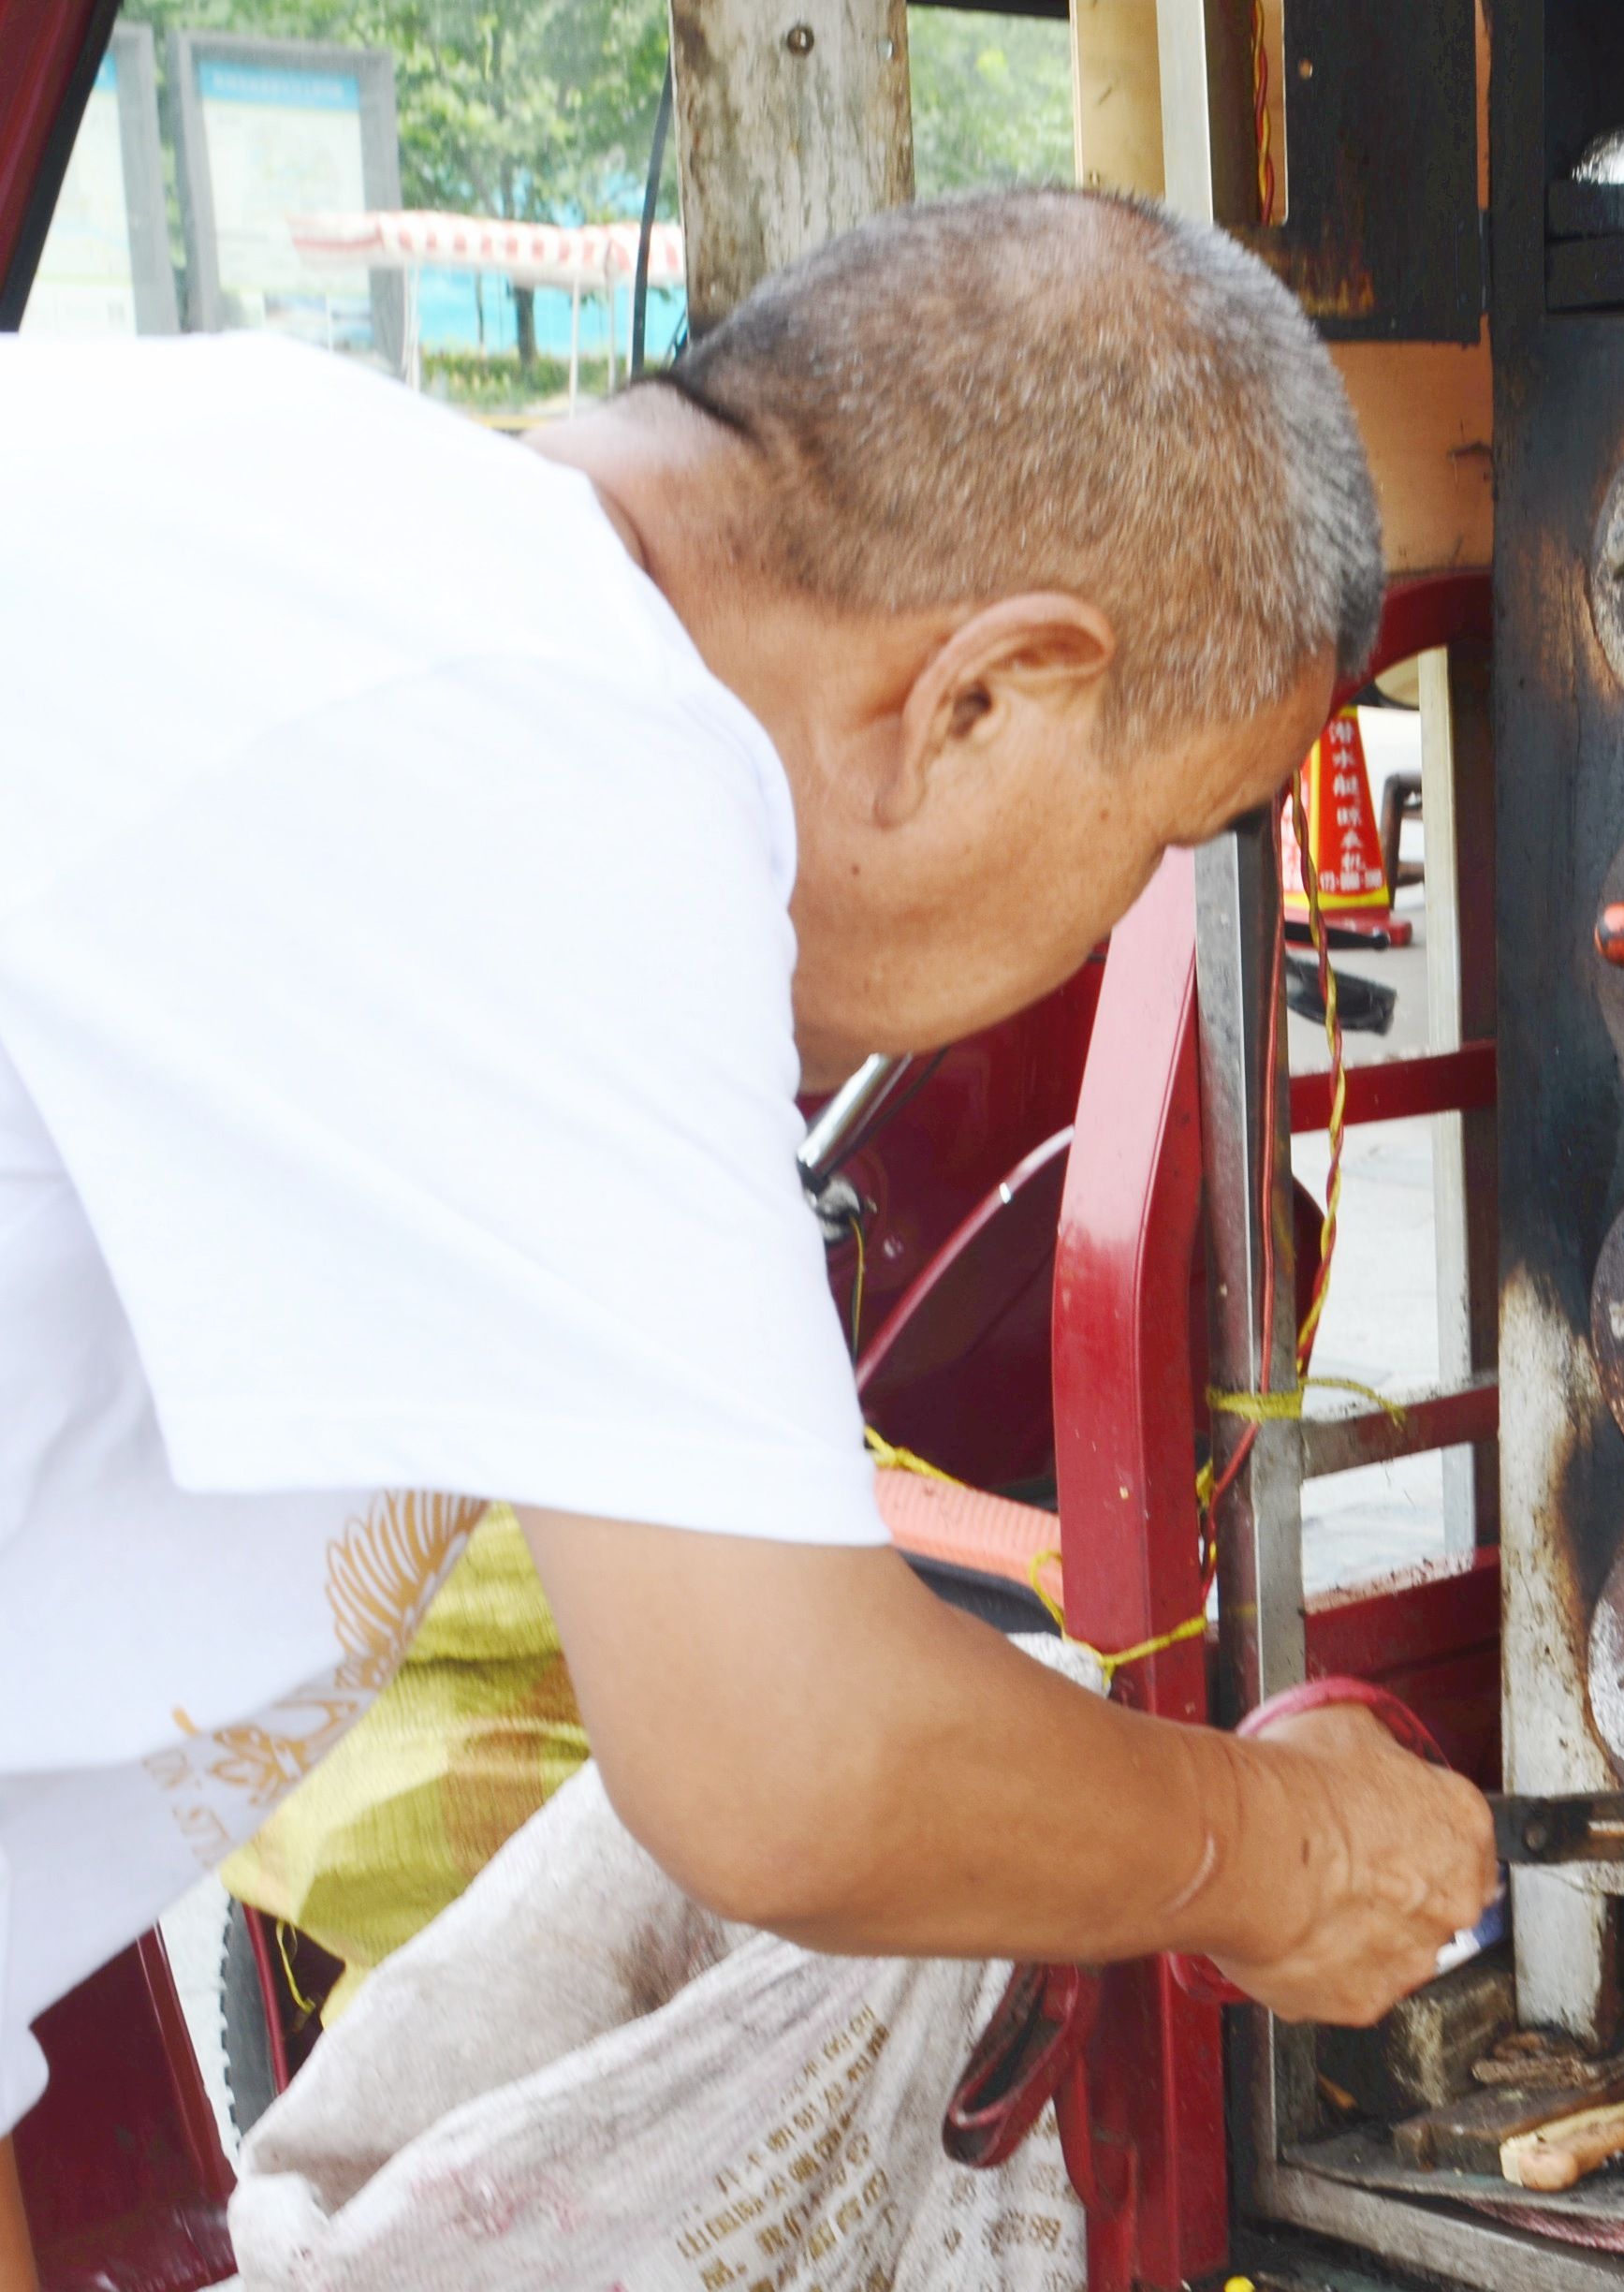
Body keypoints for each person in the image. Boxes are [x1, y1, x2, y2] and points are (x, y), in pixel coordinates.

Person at [0, 188, 1499, 2275]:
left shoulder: (326, 538)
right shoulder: (555, 771)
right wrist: (1268, 1851)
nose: (1119, 909)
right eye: (1161, 834)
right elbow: (792, 1763)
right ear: (990, 696)